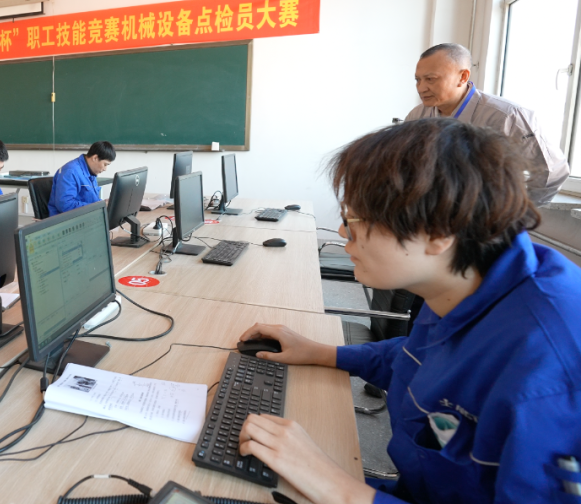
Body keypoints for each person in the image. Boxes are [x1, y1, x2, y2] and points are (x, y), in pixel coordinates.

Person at [235, 118, 581, 504]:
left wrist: (337, 486)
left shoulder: (549, 373)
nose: (343, 232)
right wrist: (321, 352)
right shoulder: (466, 278)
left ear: (437, 234)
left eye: (355, 219)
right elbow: (418, 358)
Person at [407, 42, 569, 205]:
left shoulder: (507, 116)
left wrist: (519, 211)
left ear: (463, 77)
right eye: (418, 80)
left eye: (430, 79)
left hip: (487, 214)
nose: (421, 88)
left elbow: (552, 171)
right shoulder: (417, 116)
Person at [48, 141, 116, 216]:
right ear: (95, 158)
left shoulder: (90, 171)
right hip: (67, 220)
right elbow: (65, 205)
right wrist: (97, 206)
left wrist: (102, 203)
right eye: (105, 164)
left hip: (86, 216)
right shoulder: (70, 172)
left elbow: (91, 200)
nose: (105, 169)